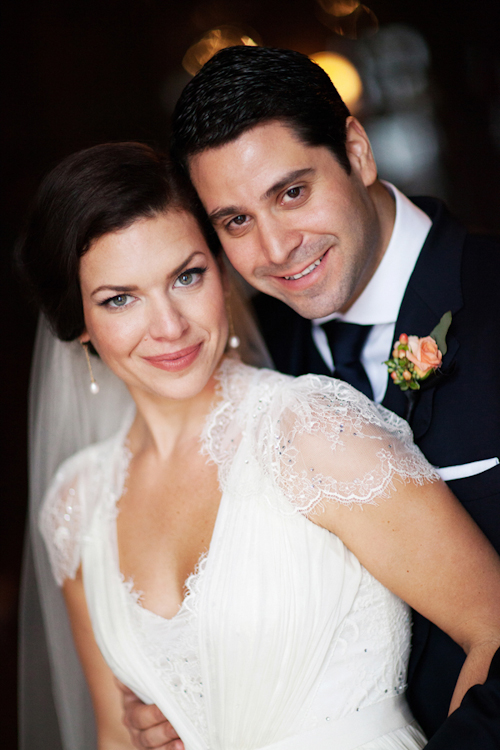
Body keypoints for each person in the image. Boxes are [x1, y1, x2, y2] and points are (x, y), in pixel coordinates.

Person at [18, 142, 500, 750]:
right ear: (80, 323)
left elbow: (494, 627)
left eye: (186, 276)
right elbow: (115, 734)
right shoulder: (74, 504)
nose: (169, 326)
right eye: (121, 299)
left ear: (222, 271)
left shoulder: (315, 431)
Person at [122, 45, 500, 748]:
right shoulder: (252, 357)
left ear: (356, 152)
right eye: (235, 221)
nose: (277, 247)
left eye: (291, 192)